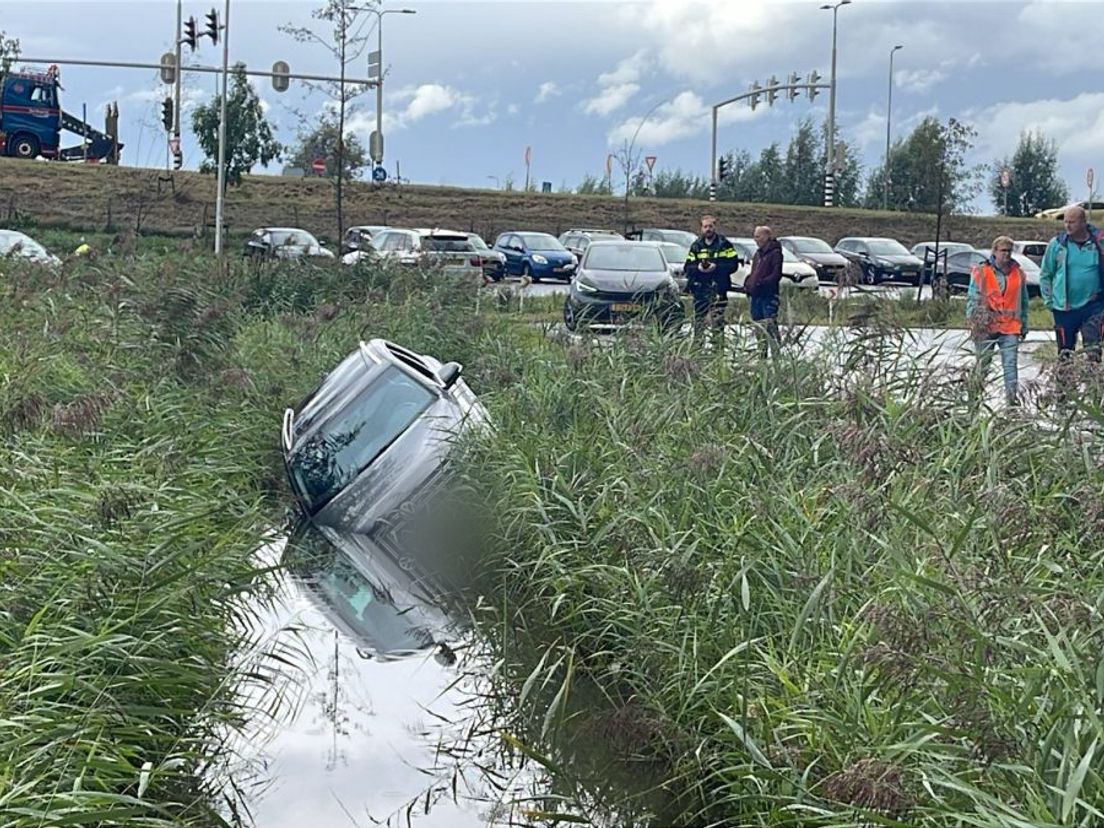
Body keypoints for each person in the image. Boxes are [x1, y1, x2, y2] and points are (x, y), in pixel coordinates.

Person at [966, 235, 1028, 406]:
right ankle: (973, 400)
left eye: (1009, 251)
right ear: (994, 252)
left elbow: (1024, 301)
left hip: (1010, 327)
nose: (1006, 254)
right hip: (986, 327)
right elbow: (972, 298)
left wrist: (1024, 325)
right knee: (983, 365)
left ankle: (1011, 401)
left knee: (1010, 366)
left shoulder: (1018, 273)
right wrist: (972, 322)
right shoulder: (981, 272)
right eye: (1003, 251)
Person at [1039, 204, 1104, 366]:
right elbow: (1046, 274)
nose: (1067, 225)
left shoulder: (1099, 243)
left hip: (1093, 305)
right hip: (1064, 308)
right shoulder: (1057, 245)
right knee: (1065, 353)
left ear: (1083, 222)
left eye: (1072, 222)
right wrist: (1049, 301)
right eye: (1065, 221)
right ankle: (1063, 389)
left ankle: (1093, 387)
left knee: (1093, 350)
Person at [683, 215, 739, 344]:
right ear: (701, 228)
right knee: (699, 323)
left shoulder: (724, 245)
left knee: (718, 323)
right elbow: (688, 266)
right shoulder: (696, 246)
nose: (708, 229)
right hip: (700, 289)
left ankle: (717, 351)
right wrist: (698, 268)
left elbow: (733, 265)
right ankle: (697, 350)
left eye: (710, 226)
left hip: (719, 288)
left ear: (715, 227)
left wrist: (716, 267)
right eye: (705, 226)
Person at [743, 225, 783, 357]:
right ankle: (762, 355)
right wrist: (749, 283)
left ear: (766, 236)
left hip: (768, 296)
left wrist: (761, 283)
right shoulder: (757, 254)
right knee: (759, 327)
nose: (755, 239)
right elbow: (754, 272)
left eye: (758, 236)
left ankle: (777, 355)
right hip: (756, 296)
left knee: (770, 326)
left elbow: (776, 275)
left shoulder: (775, 253)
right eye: (755, 236)